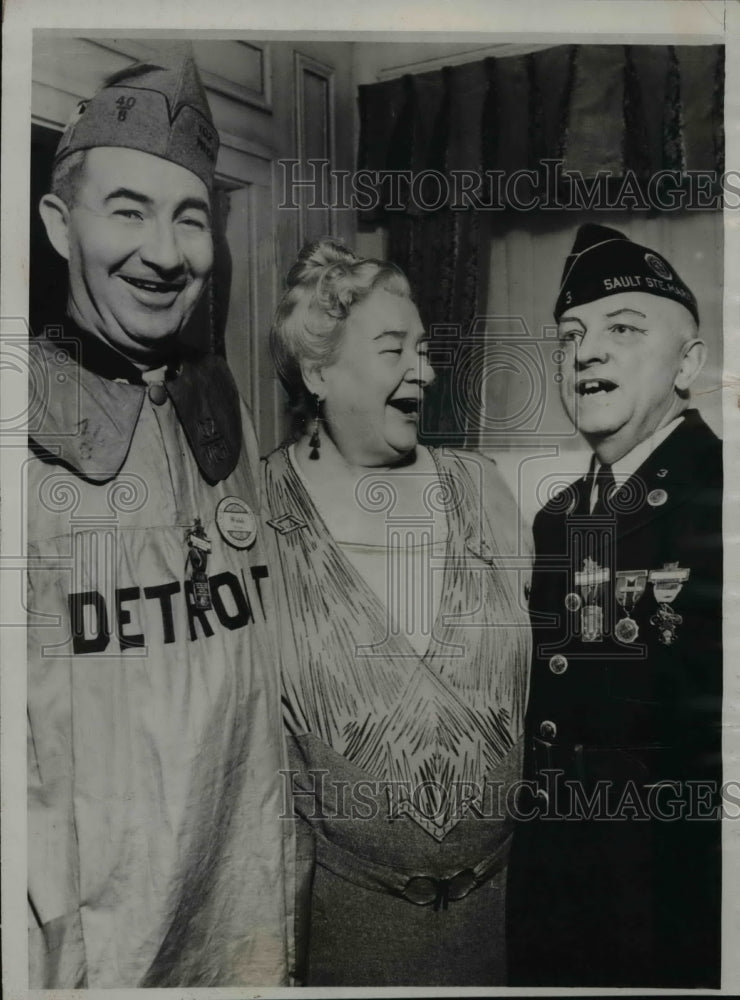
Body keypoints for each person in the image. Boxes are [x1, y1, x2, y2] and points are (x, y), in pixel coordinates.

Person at [27, 54, 290, 987]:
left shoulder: (225, 410)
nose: (165, 253)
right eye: (127, 209)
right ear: (61, 225)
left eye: (190, 218)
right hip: (93, 956)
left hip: (245, 924)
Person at [262, 237, 532, 986]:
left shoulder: (483, 489)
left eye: (425, 349)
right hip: (347, 936)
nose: (425, 370)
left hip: (512, 920)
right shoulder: (254, 516)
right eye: (394, 350)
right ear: (318, 371)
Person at [507, 223, 722, 987]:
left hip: (675, 919)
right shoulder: (561, 519)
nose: (586, 352)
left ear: (688, 364)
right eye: (571, 336)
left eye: (623, 329)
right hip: (556, 908)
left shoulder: (720, 499)